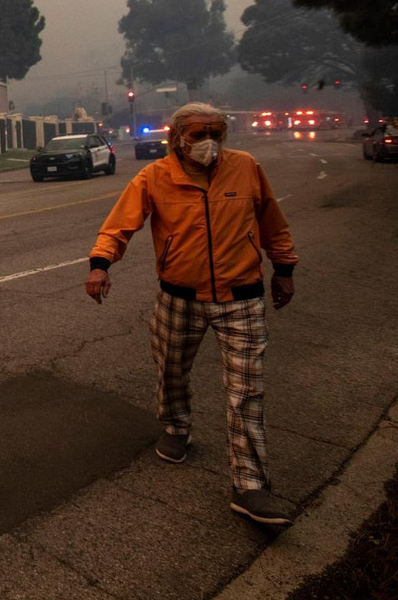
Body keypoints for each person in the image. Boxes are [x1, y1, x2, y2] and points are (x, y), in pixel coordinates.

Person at [85, 102, 299, 526]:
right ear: (177, 138)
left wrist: (285, 268)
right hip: (178, 298)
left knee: (246, 391)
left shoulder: (246, 168)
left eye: (215, 134)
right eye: (198, 134)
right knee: (171, 369)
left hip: (241, 297)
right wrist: (100, 263)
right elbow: (119, 225)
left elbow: (272, 222)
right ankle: (177, 427)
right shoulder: (155, 176)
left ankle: (250, 485)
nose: (207, 143)